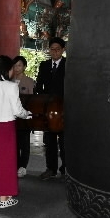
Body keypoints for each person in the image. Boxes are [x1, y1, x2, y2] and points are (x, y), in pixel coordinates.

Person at [0, 56, 31, 208]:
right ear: (7, 69)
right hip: (6, 126)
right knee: (6, 162)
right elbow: (17, 110)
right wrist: (26, 114)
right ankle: (4, 199)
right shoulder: (11, 86)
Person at [35, 37, 66, 180]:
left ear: (63, 50)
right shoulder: (44, 65)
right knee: (49, 140)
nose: (54, 52)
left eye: (57, 49)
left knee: (65, 140)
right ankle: (51, 168)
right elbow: (39, 84)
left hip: (64, 108)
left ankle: (66, 168)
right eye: (52, 49)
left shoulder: (69, 65)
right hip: (48, 109)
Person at [12, 56, 35, 178]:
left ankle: (23, 167)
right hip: (11, 117)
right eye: (15, 65)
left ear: (25, 67)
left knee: (24, 143)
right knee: (14, 142)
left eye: (19, 65)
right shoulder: (9, 81)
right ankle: (15, 165)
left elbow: (32, 101)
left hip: (24, 116)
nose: (16, 68)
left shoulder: (29, 81)